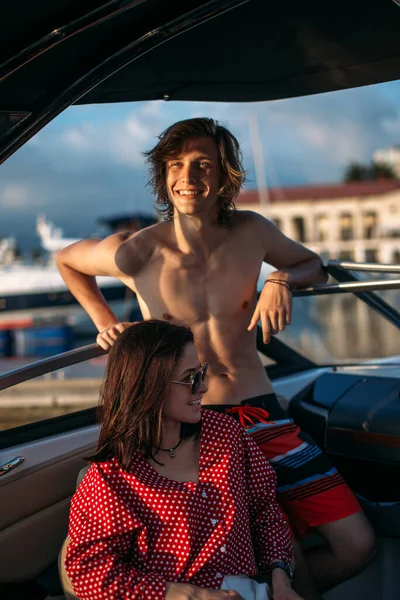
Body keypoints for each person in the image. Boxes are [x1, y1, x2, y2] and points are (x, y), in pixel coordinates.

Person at [57, 117, 375, 596]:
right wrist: (106, 324)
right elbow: (67, 260)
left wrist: (280, 280)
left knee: (357, 545)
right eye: (177, 165)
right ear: (164, 177)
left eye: (203, 164)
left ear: (225, 175)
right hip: (194, 428)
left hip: (262, 412)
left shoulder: (252, 233)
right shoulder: (137, 252)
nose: (190, 176)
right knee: (276, 552)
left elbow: (313, 265)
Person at [65, 319, 302, 600]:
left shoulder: (226, 433)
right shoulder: (111, 476)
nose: (203, 388)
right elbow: (89, 573)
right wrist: (188, 595)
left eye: (201, 373)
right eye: (191, 378)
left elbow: (264, 511)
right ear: (149, 386)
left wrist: (281, 578)